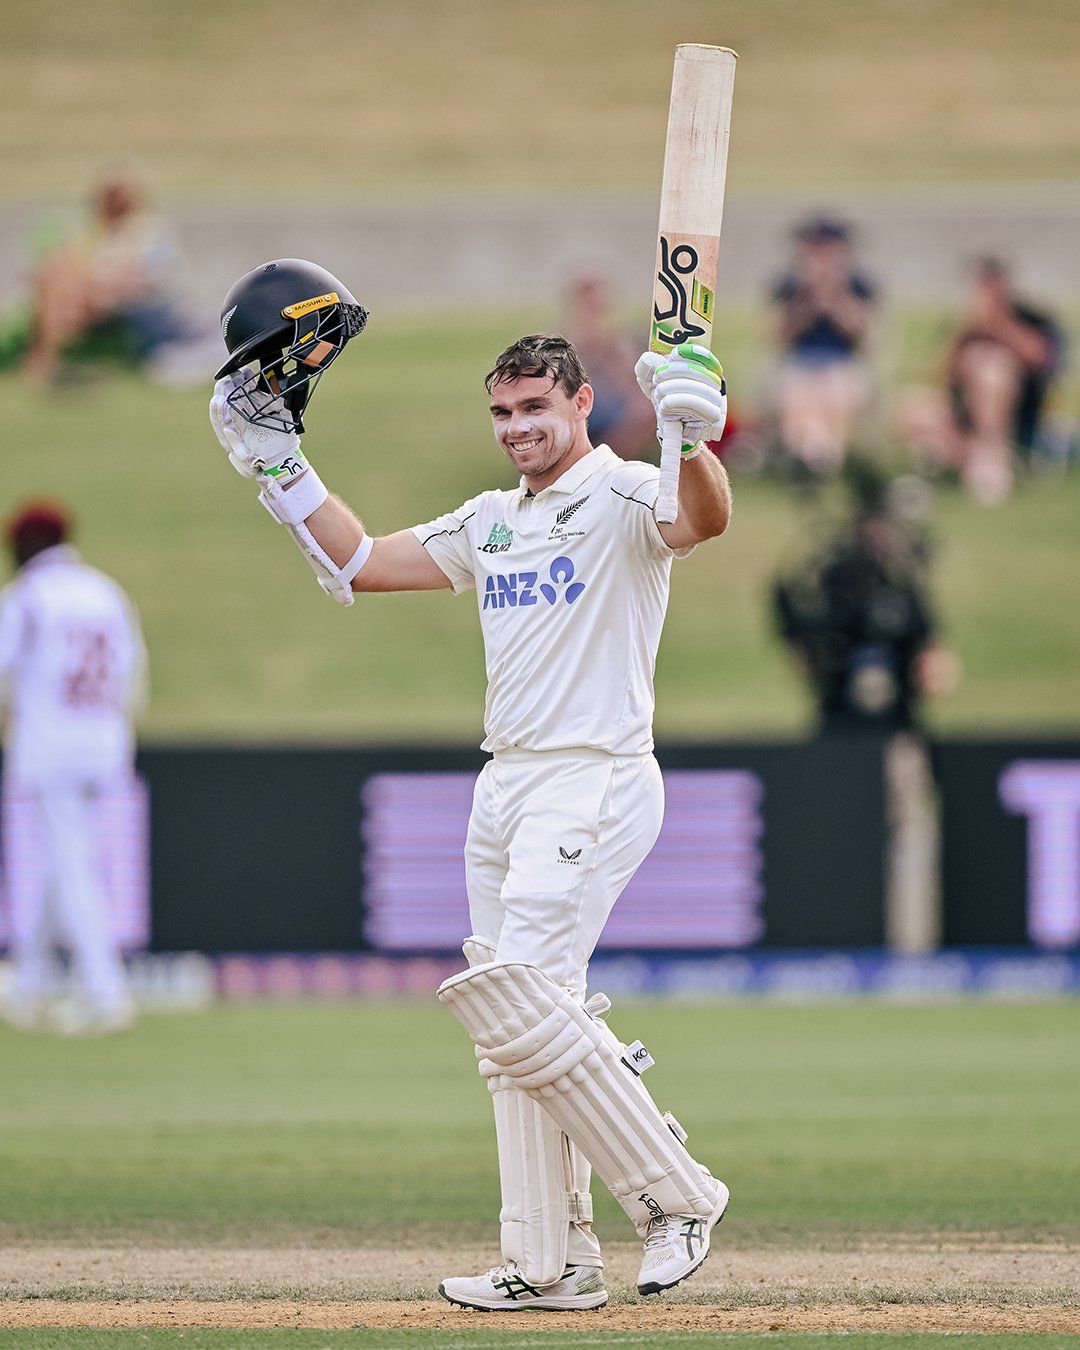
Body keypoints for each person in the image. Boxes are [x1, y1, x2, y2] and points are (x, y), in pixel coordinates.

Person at [209, 258, 733, 1311]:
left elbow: (701, 521)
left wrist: (695, 435)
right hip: (507, 787)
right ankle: (550, 1262)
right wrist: (279, 465)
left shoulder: (625, 491)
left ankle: (679, 1196)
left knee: (525, 996)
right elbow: (361, 563)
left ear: (581, 404)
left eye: (536, 408)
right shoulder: (494, 520)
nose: (517, 428)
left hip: (593, 776)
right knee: (514, 1025)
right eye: (502, 412)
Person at [0, 503, 147, 1034]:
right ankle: (29, 983)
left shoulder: (28, 596)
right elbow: (133, 674)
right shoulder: (105, 591)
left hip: (52, 743)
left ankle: (105, 991)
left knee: (71, 862)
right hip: (104, 739)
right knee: (60, 859)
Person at [19, 176, 191, 384]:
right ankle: (49, 358)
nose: (113, 203)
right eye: (108, 197)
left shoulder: (149, 229)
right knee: (56, 272)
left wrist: (107, 285)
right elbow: (88, 269)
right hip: (99, 296)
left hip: (136, 298)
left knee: (59, 282)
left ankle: (45, 359)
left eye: (118, 195)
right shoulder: (101, 234)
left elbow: (154, 275)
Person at [929, 258, 1062, 504]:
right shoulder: (966, 324)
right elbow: (942, 376)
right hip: (965, 412)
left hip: (1015, 413)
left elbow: (1039, 358)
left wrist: (997, 325)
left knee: (992, 370)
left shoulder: (1029, 318)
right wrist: (964, 333)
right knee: (914, 410)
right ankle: (977, 457)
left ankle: (990, 456)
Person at [769, 215, 876, 477]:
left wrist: (834, 297)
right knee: (799, 401)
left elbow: (862, 336)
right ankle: (816, 457)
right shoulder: (791, 286)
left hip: (842, 361)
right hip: (799, 361)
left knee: (836, 396)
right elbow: (780, 335)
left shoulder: (857, 285)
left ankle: (818, 460)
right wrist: (808, 300)